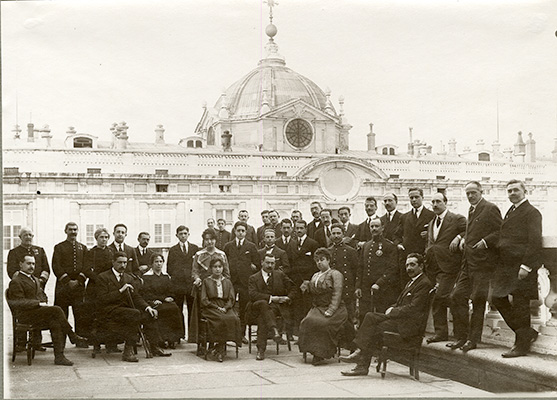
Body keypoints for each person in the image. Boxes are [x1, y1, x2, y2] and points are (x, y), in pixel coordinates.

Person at [340, 253, 433, 376]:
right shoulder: (412, 282)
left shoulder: (424, 283)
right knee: (370, 318)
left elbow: (414, 308)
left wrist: (393, 312)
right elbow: (402, 303)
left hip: (409, 327)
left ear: (421, 266)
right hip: (401, 320)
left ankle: (360, 360)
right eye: (407, 265)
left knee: (372, 325)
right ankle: (360, 357)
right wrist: (392, 307)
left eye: (412, 265)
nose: (409, 268)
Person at [489, 179, 542, 358]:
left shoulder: (532, 212)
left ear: (524, 191)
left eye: (515, 190)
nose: (512, 193)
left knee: (521, 305)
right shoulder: (511, 211)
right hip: (505, 266)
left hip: (521, 266)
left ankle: (521, 346)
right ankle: (526, 333)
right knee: (496, 297)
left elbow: (534, 242)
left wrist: (526, 266)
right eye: (509, 191)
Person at [448, 181, 502, 352]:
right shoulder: (471, 210)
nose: (470, 196)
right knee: (457, 296)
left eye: (473, 192)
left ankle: (472, 339)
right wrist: (463, 238)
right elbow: (472, 230)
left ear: (481, 191)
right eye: (468, 193)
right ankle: (461, 336)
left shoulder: (490, 208)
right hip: (468, 263)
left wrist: (486, 242)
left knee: (478, 301)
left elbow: (500, 231)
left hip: (483, 264)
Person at [7, 254, 87, 366]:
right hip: (25, 316)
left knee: (56, 322)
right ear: (21, 264)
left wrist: (42, 301)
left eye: (33, 264)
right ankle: (72, 335)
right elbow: (18, 302)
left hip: (36, 314)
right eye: (28, 263)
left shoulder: (35, 279)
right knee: (57, 310)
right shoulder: (16, 281)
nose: (31, 266)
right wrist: (38, 303)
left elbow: (42, 295)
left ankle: (59, 357)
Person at [96, 252, 170, 362]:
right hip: (109, 310)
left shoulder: (128, 278)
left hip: (126, 310)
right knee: (133, 313)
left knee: (149, 313)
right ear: (113, 262)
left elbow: (136, 296)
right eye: (120, 262)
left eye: (125, 263)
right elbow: (102, 299)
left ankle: (154, 346)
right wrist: (120, 291)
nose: (123, 265)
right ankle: (128, 351)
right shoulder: (103, 277)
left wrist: (147, 307)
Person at [424, 193, 466, 343]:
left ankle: (459, 334)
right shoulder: (431, 223)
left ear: (445, 203)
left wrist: (459, 237)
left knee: (443, 297)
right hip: (432, 266)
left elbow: (469, 230)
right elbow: (432, 243)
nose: (435, 204)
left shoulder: (456, 219)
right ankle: (442, 333)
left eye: (438, 201)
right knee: (436, 298)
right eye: (433, 202)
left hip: (449, 266)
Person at [298, 248, 348, 366]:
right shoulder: (315, 275)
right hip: (318, 307)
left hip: (336, 309)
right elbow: (313, 292)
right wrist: (307, 286)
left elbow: (337, 294)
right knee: (307, 321)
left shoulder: (335, 274)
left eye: (322, 260)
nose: (319, 262)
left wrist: (331, 310)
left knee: (323, 324)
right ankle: (311, 350)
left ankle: (321, 354)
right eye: (317, 260)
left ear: (328, 260)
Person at [7, 227, 51, 351]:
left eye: (30, 235)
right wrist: (24, 281)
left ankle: (36, 343)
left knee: (39, 311)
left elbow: (46, 269)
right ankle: (21, 344)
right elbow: (12, 271)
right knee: (24, 311)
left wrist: (40, 282)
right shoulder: (14, 252)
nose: (28, 237)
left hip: (37, 287)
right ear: (20, 237)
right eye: (25, 235)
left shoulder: (40, 250)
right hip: (22, 288)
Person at [247, 254, 297, 360]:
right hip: (255, 307)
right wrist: (271, 298)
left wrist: (288, 298)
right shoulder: (253, 278)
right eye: (268, 263)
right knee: (263, 305)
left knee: (263, 317)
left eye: (272, 263)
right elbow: (252, 295)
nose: (270, 265)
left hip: (275, 309)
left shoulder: (280, 275)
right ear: (262, 262)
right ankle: (274, 330)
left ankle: (261, 350)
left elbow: (293, 287)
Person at [190, 228, 231, 349]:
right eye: (207, 239)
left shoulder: (221, 254)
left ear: (215, 240)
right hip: (202, 288)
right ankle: (202, 343)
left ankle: (218, 342)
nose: (209, 242)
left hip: (218, 289)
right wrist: (197, 279)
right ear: (204, 241)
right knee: (201, 316)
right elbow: (195, 271)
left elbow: (227, 274)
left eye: (212, 239)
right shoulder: (199, 255)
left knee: (219, 314)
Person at [223, 221, 261, 343]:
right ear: (234, 231)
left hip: (245, 282)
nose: (240, 233)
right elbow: (224, 263)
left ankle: (242, 334)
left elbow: (257, 264)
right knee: (230, 306)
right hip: (232, 281)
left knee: (244, 308)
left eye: (243, 231)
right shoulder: (228, 246)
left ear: (246, 232)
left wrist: (251, 267)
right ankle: (230, 334)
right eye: (238, 230)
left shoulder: (251, 246)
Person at [52, 222, 89, 342]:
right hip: (63, 286)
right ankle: (61, 340)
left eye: (75, 230)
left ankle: (80, 339)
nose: (73, 232)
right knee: (61, 313)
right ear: (65, 231)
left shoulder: (83, 248)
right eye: (70, 230)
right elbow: (56, 266)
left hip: (78, 286)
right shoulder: (59, 247)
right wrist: (67, 281)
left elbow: (86, 266)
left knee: (80, 314)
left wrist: (79, 280)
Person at [356, 218, 399, 320]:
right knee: (364, 314)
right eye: (372, 226)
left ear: (382, 228)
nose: (374, 229)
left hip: (383, 288)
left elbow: (392, 268)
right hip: (366, 288)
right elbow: (360, 267)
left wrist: (379, 283)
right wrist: (358, 286)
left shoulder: (389, 246)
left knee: (380, 315)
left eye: (376, 226)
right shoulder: (366, 245)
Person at [200, 258, 242, 362]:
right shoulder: (206, 281)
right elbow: (204, 299)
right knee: (221, 318)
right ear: (211, 268)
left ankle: (220, 346)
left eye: (220, 267)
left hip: (225, 306)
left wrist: (226, 307)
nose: (218, 269)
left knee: (234, 318)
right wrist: (216, 307)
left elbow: (231, 298)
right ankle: (220, 348)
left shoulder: (227, 281)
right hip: (210, 307)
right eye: (215, 267)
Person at [328, 223, 360, 347]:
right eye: (333, 233)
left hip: (347, 289)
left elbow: (357, 270)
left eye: (338, 233)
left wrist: (356, 287)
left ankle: (351, 345)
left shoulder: (351, 251)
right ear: (330, 235)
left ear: (343, 234)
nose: (336, 236)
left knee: (348, 318)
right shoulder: (328, 251)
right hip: (332, 291)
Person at [142, 253, 183, 349]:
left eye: (161, 261)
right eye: (156, 262)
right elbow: (146, 293)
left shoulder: (166, 277)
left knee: (174, 308)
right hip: (153, 301)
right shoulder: (146, 277)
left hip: (165, 301)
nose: (158, 264)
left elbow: (171, 291)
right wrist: (157, 300)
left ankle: (172, 339)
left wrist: (170, 297)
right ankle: (161, 339)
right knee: (163, 310)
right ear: (151, 264)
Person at [83, 228, 115, 351]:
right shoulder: (91, 252)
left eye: (106, 237)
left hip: (109, 286)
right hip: (94, 286)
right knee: (95, 314)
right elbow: (86, 269)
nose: (104, 240)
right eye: (101, 237)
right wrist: (98, 279)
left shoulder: (111, 252)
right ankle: (96, 343)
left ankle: (110, 343)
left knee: (109, 313)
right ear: (96, 238)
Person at [166, 225, 199, 342]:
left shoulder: (195, 248)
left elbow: (198, 266)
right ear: (177, 236)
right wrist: (177, 277)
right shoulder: (173, 250)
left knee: (192, 309)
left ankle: (192, 336)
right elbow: (169, 268)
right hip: (178, 285)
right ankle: (178, 336)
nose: (183, 236)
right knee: (178, 309)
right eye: (181, 234)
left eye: (185, 233)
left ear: (188, 234)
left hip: (191, 284)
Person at [398, 188, 435, 287]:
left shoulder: (431, 215)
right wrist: (399, 244)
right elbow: (396, 235)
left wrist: (428, 234)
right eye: (411, 198)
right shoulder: (404, 217)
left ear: (422, 197)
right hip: (408, 258)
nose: (414, 200)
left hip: (425, 258)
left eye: (416, 197)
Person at [286, 220, 320, 330]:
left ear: (306, 229)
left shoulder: (313, 243)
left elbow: (316, 264)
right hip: (295, 281)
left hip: (307, 281)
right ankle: (298, 332)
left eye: (301, 228)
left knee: (307, 306)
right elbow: (289, 262)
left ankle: (308, 331)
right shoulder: (292, 243)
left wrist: (307, 280)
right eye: (297, 228)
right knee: (296, 306)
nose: (299, 230)